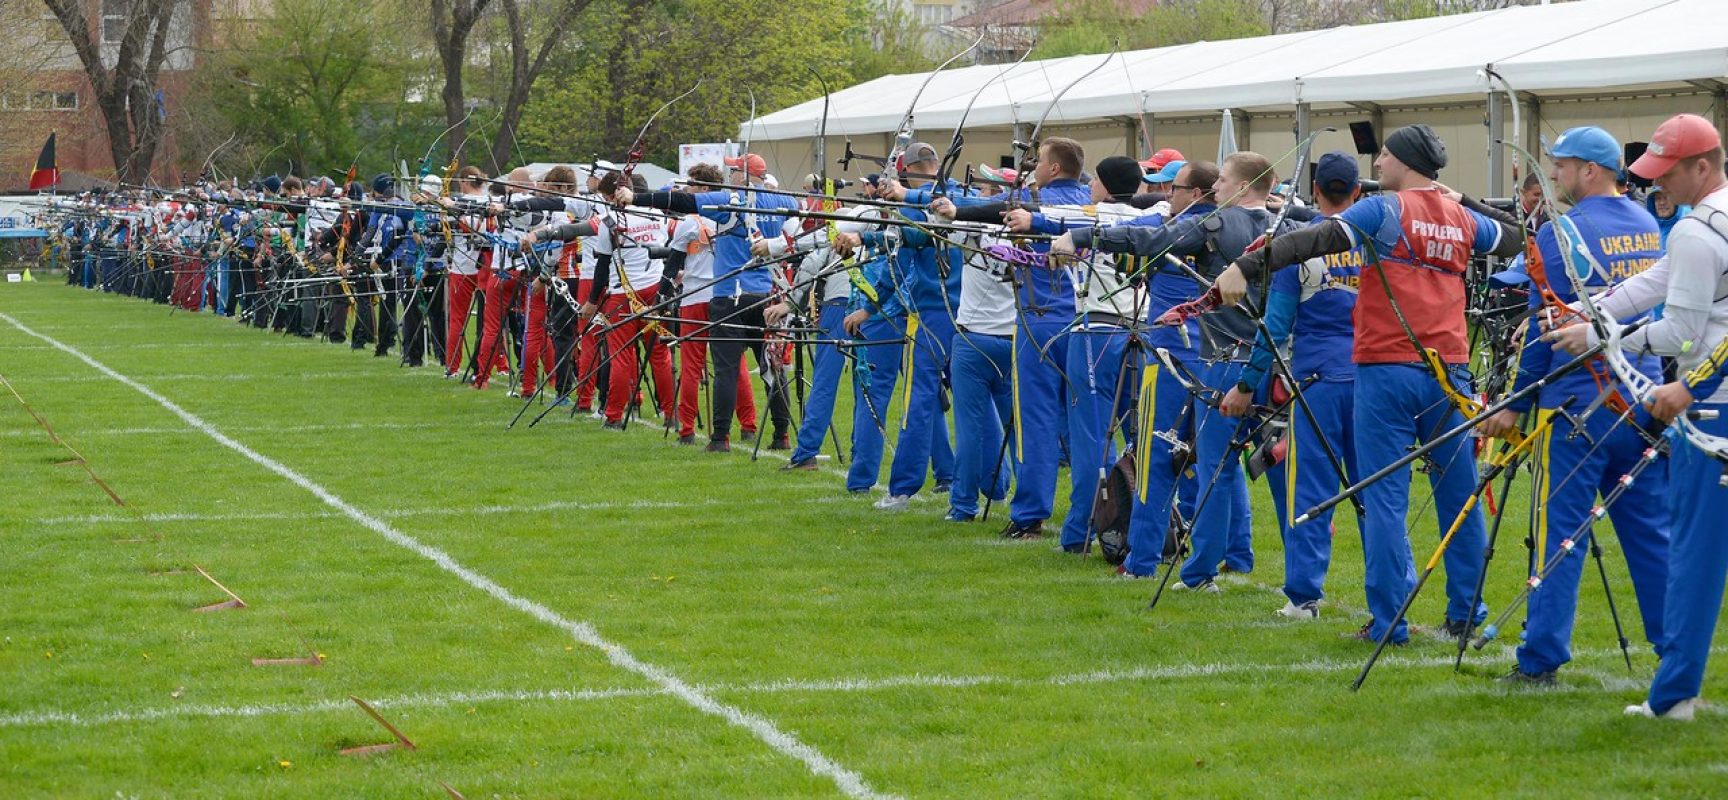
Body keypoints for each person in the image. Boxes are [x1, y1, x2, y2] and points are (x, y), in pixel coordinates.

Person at [1216, 124, 1524, 642]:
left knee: (1384, 498)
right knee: (1459, 494)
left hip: (1386, 370)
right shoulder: (1460, 217)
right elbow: (1515, 234)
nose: (1377, 165)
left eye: (1383, 156)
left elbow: (1314, 237)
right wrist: (1462, 199)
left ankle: (1389, 623)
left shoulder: (1384, 209)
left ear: (1404, 161)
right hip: (1450, 372)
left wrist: (1246, 265)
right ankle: (1467, 616)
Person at [1546, 113, 1728, 720]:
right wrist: (1591, 314)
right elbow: (1656, 281)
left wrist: (1609, 340)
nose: (1658, 187)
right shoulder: (1703, 222)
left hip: (1709, 411)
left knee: (1696, 560)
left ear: (1702, 166)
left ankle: (1673, 697)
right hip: (1706, 399)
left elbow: (1679, 329)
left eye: (1667, 174)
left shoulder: (1697, 232)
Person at [1476, 126, 1671, 686]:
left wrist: (1516, 403)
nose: (1554, 176)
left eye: (1560, 166)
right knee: (1650, 533)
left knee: (1559, 530)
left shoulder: (1563, 231)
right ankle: (1673, 649)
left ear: (1590, 170)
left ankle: (1541, 658)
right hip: (1642, 397)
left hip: (1578, 405)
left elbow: (1547, 326)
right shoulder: (1645, 223)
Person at [1061, 152, 1284, 589]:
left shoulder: (1206, 225)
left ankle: (1145, 559)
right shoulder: (1281, 225)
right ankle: (1237, 555)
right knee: (1225, 464)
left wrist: (1078, 236)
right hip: (1256, 361)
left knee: (1158, 456)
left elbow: (1144, 240)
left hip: (1186, 359)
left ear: (1235, 188)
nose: (1165, 195)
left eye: (1176, 187)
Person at [1228, 151, 1365, 618]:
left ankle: (1304, 596)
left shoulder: (1299, 248)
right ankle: (1393, 598)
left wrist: (1247, 384)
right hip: (1372, 380)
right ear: (1358, 194)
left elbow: (1275, 326)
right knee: (1377, 492)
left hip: (1318, 383)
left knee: (1313, 489)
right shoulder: (1378, 243)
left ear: (1315, 194)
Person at [614, 152, 798, 452]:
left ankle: (720, 438)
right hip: (765, 298)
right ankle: (782, 436)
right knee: (771, 366)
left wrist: (635, 198)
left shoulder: (730, 202)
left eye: (734, 171)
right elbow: (796, 229)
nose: (729, 176)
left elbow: (682, 203)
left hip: (729, 296)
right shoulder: (783, 202)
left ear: (744, 176)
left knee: (726, 369)